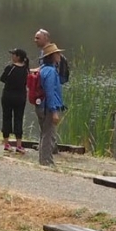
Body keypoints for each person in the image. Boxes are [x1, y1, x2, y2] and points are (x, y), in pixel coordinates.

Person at [33, 28, 66, 167]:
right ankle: (46, 162)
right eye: (57, 53)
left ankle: (43, 160)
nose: (59, 56)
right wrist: (54, 111)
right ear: (52, 56)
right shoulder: (51, 72)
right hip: (48, 107)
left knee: (44, 133)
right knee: (48, 135)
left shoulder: (43, 69)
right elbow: (50, 92)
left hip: (40, 106)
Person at [0, 48, 29, 154]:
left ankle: (6, 143)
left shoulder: (10, 68)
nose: (12, 56)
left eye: (13, 55)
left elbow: (2, 79)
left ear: (18, 57)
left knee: (6, 117)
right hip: (20, 97)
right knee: (18, 119)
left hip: (8, 96)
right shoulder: (26, 69)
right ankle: (19, 145)